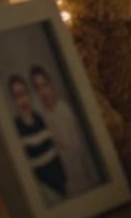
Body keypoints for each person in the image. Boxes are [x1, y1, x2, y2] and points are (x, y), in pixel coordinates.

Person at [30, 66, 101, 197]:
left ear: (50, 85)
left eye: (44, 85)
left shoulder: (65, 111)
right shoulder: (40, 119)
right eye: (37, 88)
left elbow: (79, 148)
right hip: (63, 186)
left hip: (81, 178)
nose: (43, 92)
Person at [7, 74, 66, 205]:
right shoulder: (16, 129)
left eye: (24, 93)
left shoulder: (40, 118)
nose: (23, 99)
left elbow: (55, 149)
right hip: (46, 192)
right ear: (13, 100)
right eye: (18, 95)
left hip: (61, 184)